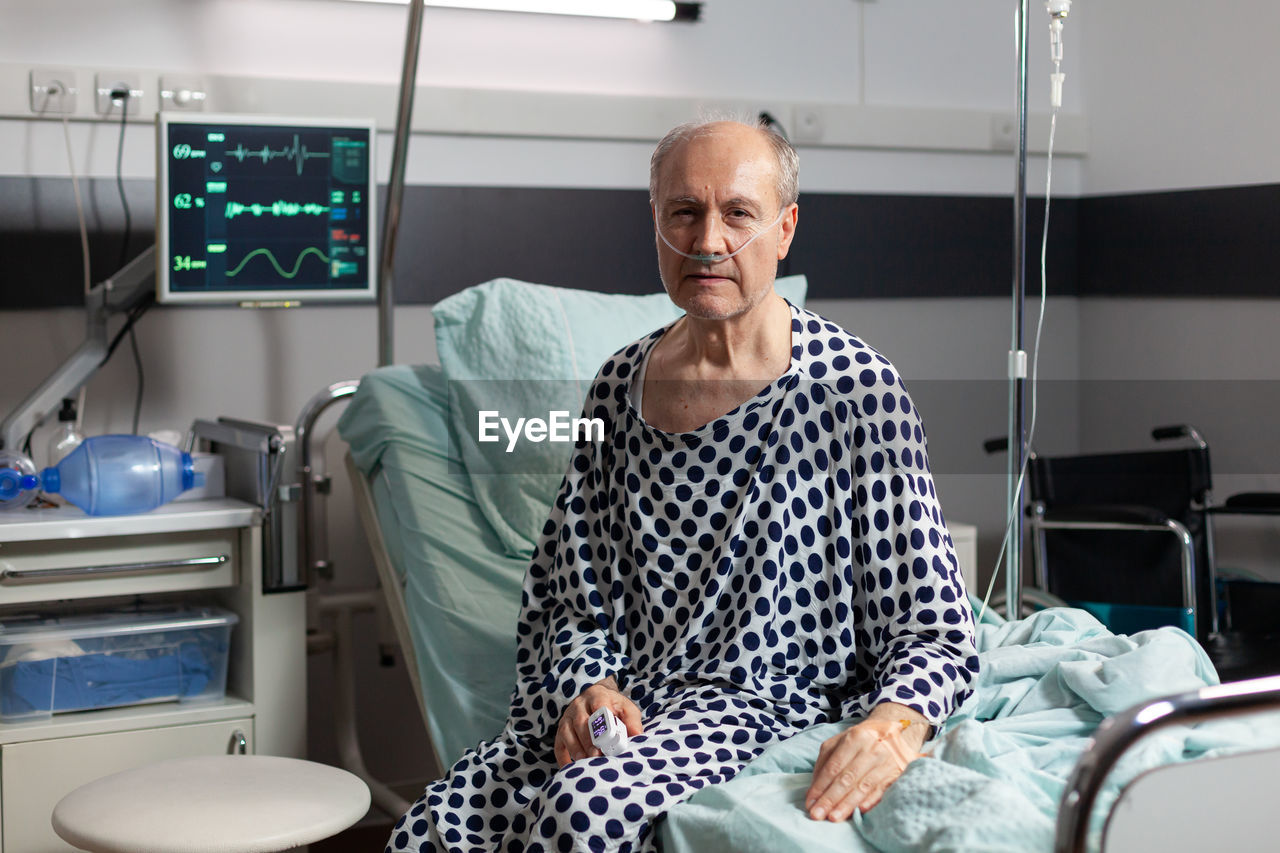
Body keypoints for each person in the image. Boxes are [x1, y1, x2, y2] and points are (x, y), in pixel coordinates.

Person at [387, 118, 979, 853]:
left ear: (786, 228)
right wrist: (585, 688)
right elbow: (571, 597)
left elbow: (936, 627)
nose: (708, 242)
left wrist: (893, 725)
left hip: (769, 707)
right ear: (657, 226)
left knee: (587, 809)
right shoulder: (617, 388)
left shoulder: (855, 391)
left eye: (738, 212)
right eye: (684, 213)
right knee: (436, 825)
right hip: (631, 709)